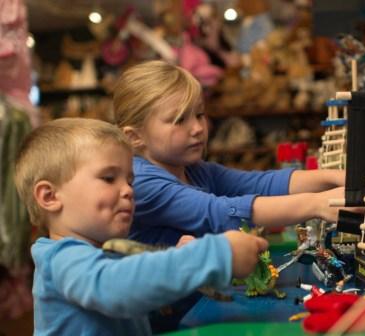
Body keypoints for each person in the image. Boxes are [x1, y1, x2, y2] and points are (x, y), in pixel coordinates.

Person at [14, 118, 268, 336]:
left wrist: (181, 272)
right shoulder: (62, 258)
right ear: (49, 196)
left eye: (130, 181)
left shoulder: (107, 255)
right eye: (109, 178)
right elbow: (113, 288)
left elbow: (138, 304)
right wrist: (214, 254)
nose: (127, 190)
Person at [113, 60, 347, 247]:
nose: (197, 128)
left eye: (200, 114)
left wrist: (331, 176)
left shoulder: (194, 170)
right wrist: (317, 204)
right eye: (179, 120)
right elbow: (218, 212)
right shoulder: (140, 183)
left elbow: (258, 183)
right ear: (135, 136)